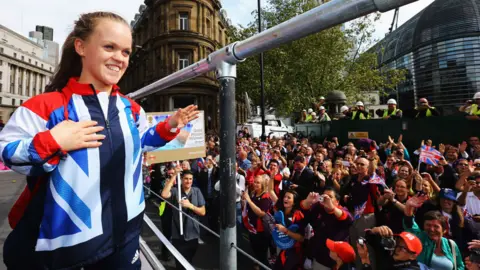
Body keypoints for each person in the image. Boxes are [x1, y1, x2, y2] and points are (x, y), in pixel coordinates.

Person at [0, 11, 199, 270]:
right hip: (67, 247)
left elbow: (142, 143)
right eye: (109, 47)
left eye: (126, 52)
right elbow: (7, 151)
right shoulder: (46, 106)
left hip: (125, 239)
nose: (120, 58)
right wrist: (53, 141)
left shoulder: (132, 109)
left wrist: (169, 127)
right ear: (81, 47)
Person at [161, 170, 206, 269]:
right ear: (181, 179)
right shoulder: (175, 191)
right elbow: (164, 194)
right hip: (178, 234)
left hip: (193, 234)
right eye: (186, 179)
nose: (188, 181)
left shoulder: (196, 191)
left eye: (190, 179)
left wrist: (191, 206)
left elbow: (203, 212)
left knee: (189, 260)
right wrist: (174, 175)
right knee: (180, 263)